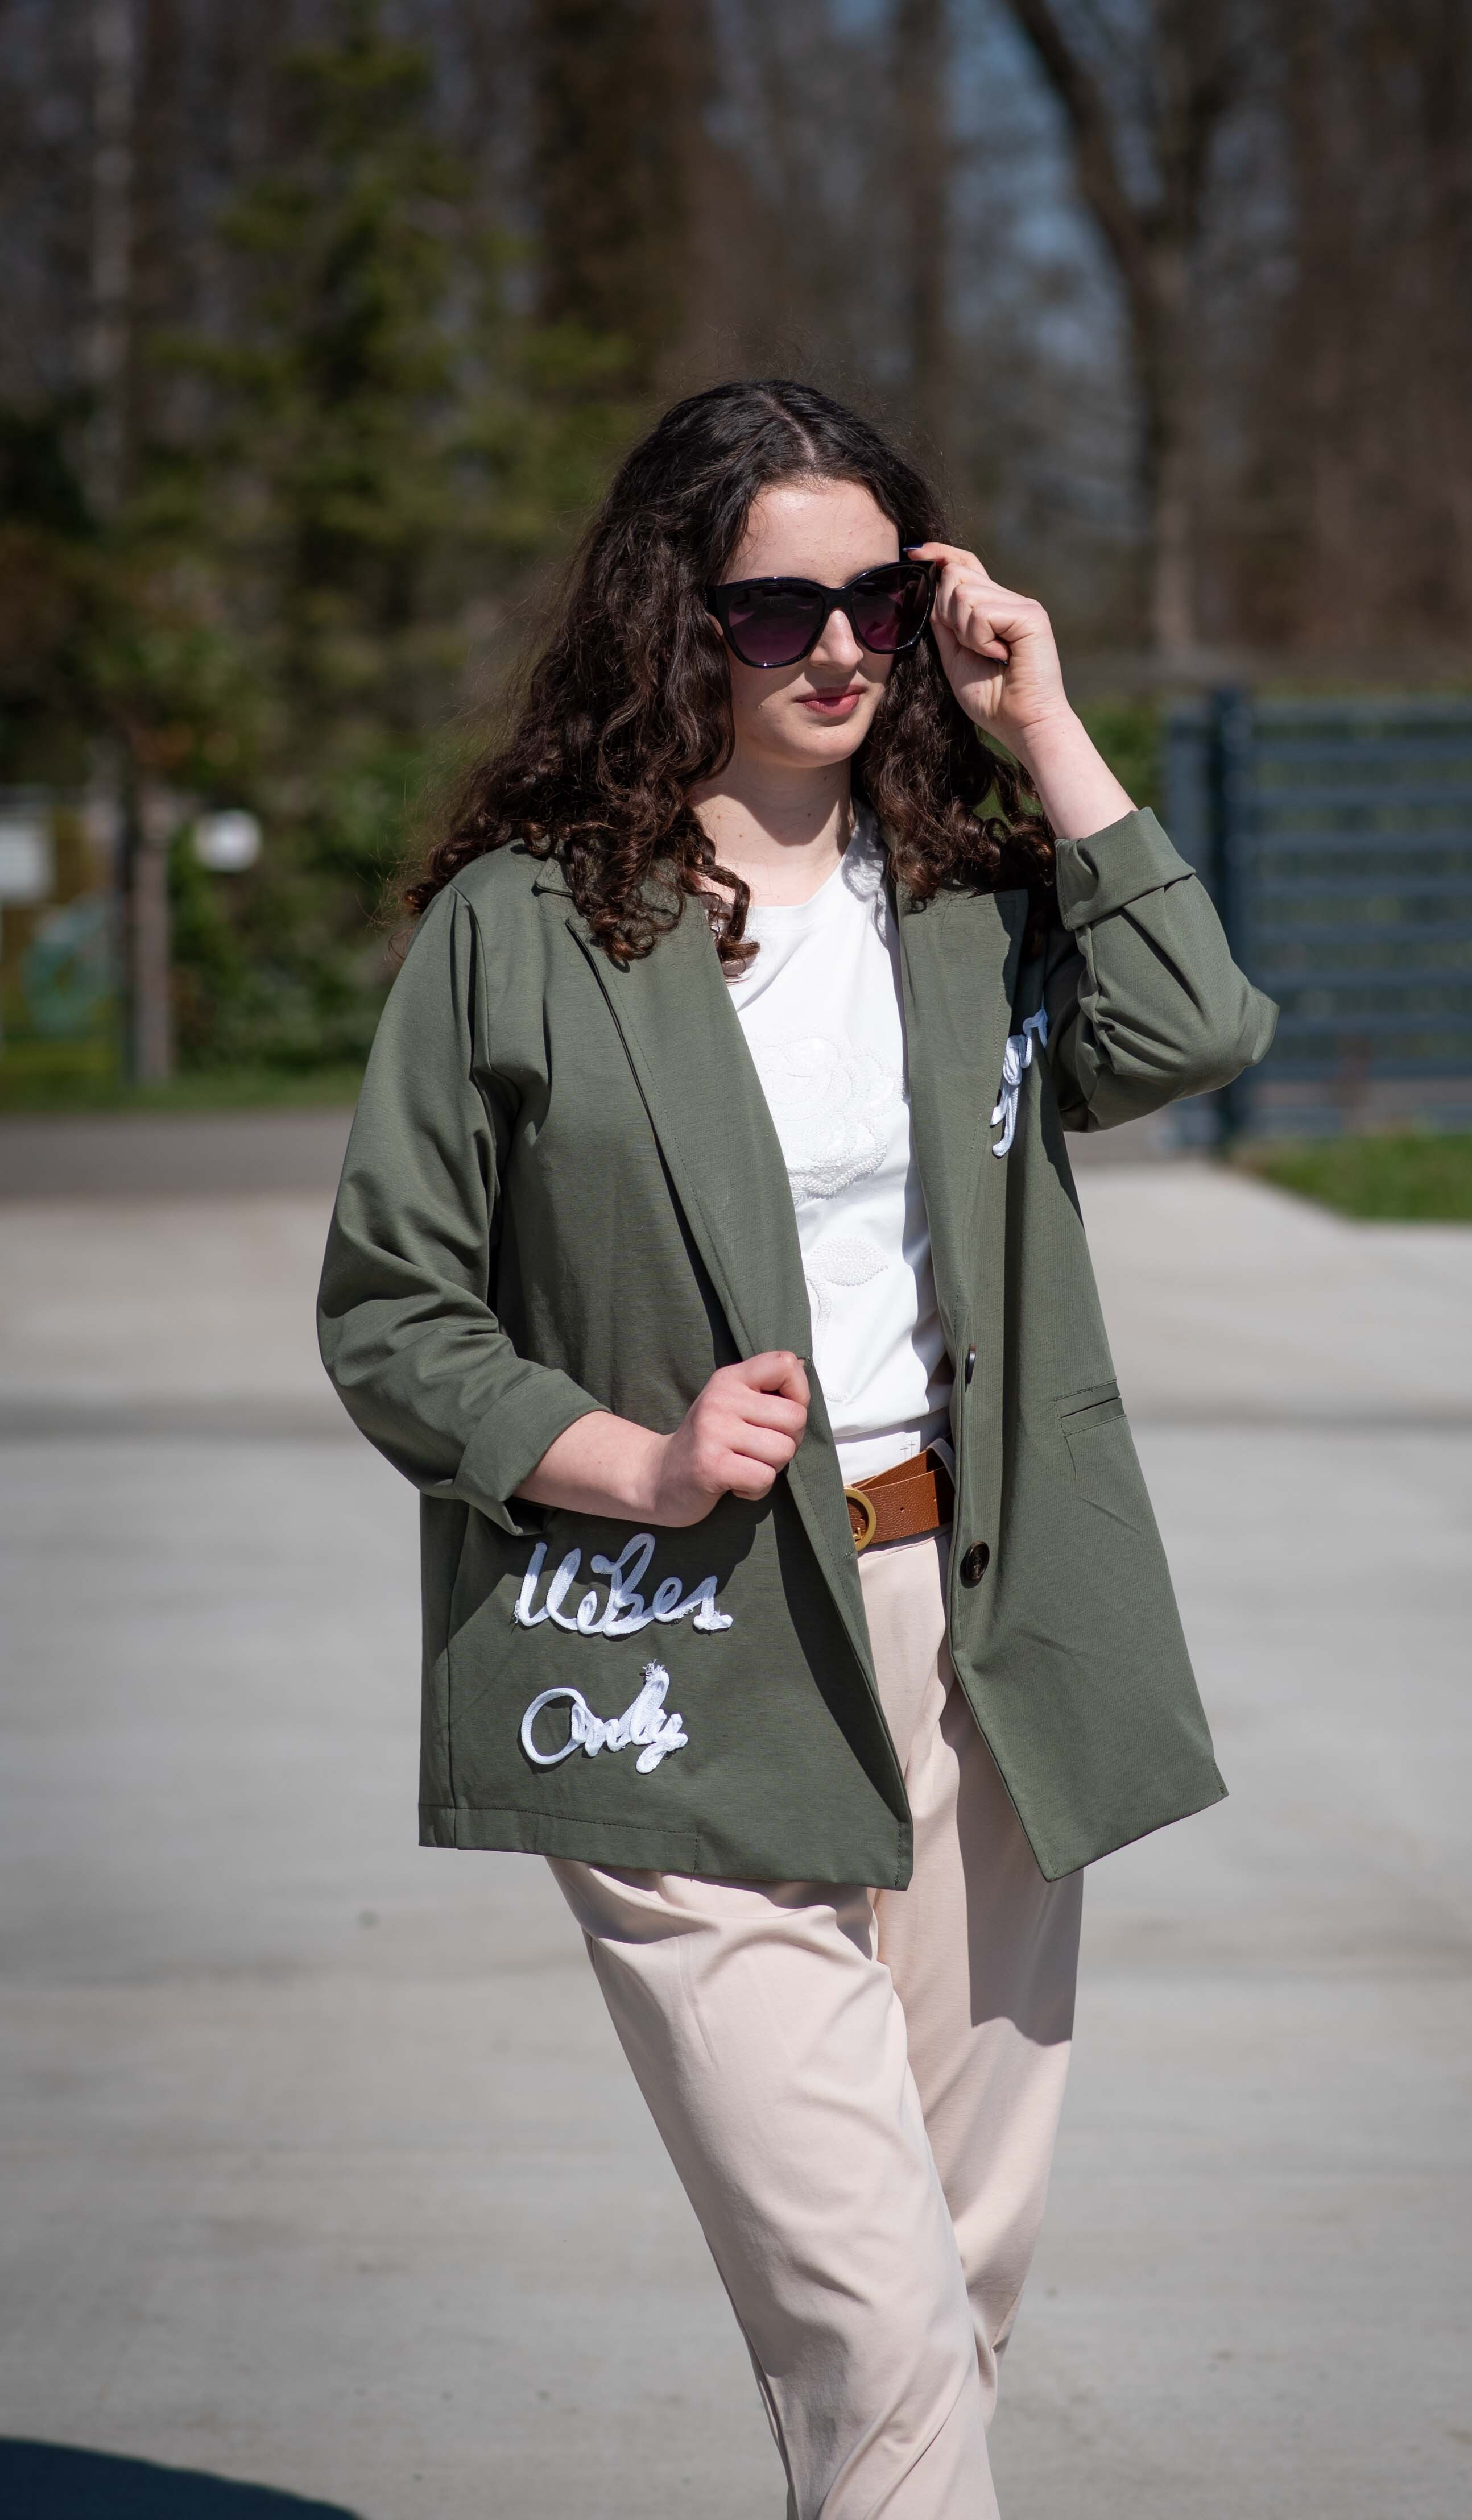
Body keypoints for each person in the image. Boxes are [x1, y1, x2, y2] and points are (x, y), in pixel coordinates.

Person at [318, 378, 1275, 2518]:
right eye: (777, 610)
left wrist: (1045, 725)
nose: (837, 648)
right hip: (682, 1639)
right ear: (676, 619)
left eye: (876, 600)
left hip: (981, 1631)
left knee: (960, 2282)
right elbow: (391, 1307)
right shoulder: (524, 925)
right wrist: (632, 1461)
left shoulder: (971, 898)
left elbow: (1196, 1027)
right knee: (877, 2315)